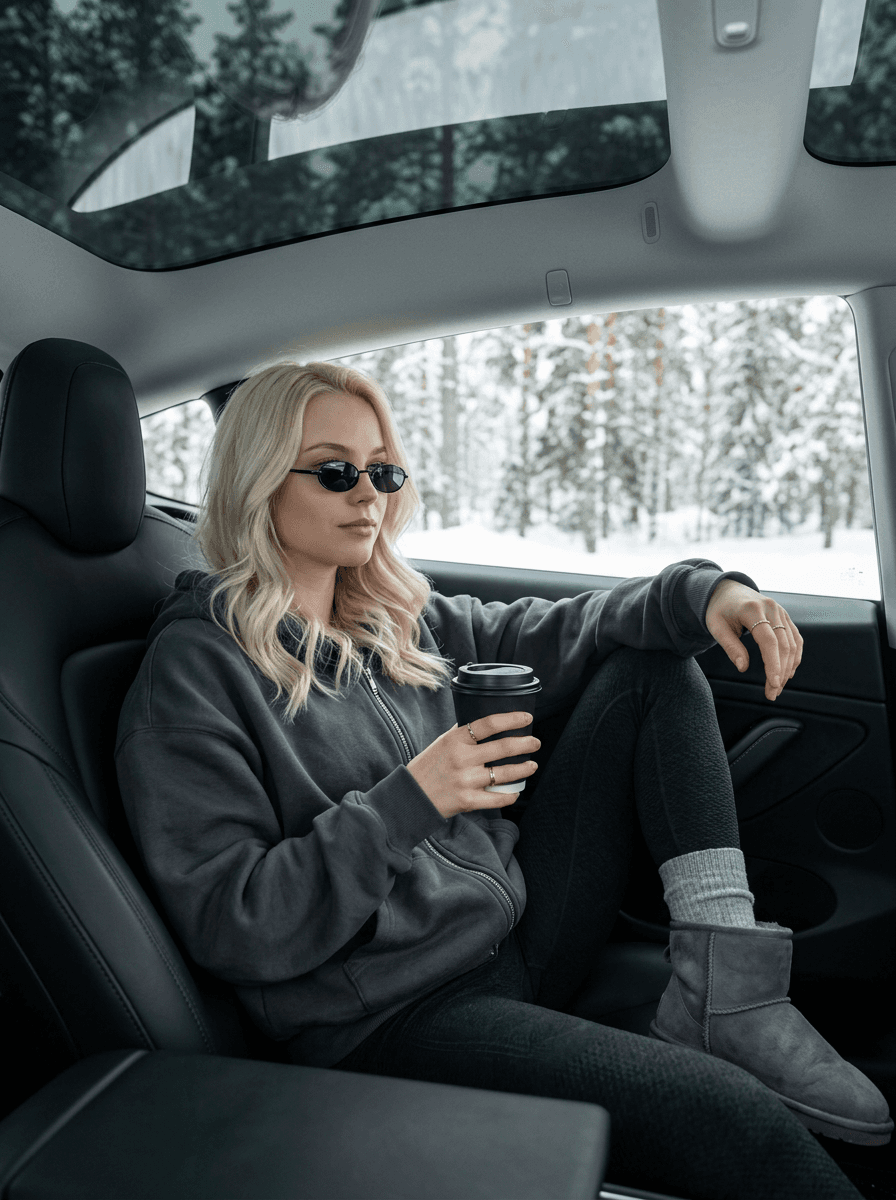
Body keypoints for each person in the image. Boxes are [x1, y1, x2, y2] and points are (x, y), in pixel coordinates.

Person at [116, 360, 890, 1200]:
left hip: (512, 936)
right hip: (390, 1017)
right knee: (735, 1118)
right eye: (336, 471)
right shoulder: (195, 672)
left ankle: (733, 999)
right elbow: (237, 924)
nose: (368, 495)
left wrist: (706, 594)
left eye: (383, 470)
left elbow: (559, 629)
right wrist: (412, 801)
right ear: (259, 481)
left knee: (652, 670)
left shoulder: (389, 618)